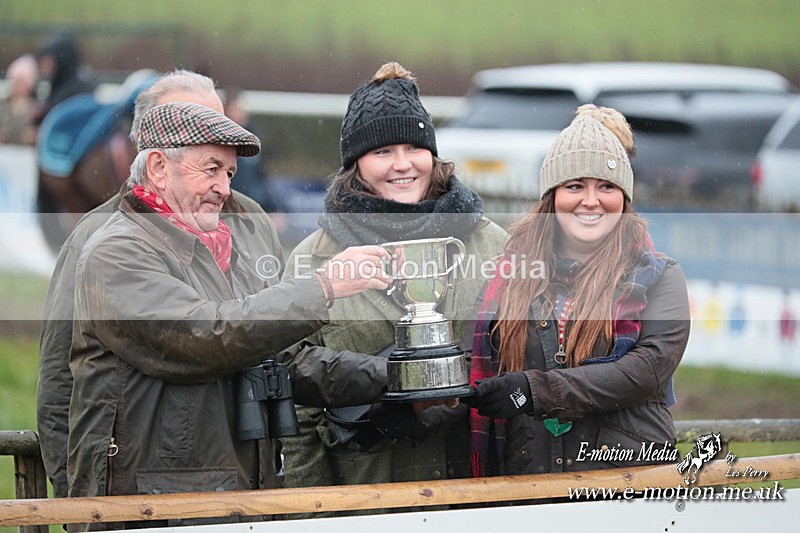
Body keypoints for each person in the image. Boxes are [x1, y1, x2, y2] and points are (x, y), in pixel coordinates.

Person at [67, 101, 392, 530]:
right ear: (159, 168)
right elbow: (205, 336)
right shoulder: (116, 252)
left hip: (227, 500)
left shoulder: (224, 252)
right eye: (211, 169)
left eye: (230, 174)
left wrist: (398, 376)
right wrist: (322, 286)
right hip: (150, 510)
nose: (225, 187)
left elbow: (284, 362)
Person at [281, 62, 507, 495]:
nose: (402, 165)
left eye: (413, 147)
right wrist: (312, 509)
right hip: (365, 497)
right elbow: (297, 406)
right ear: (356, 164)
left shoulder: (490, 244)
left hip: (476, 494)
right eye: (382, 151)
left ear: (432, 154)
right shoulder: (314, 259)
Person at [37, 69, 241, 500]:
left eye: (217, 124)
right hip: (139, 496)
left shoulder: (251, 224)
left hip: (240, 493)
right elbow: (58, 386)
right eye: (193, 128)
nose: (213, 135)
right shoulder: (94, 239)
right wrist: (81, 499)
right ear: (156, 154)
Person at [463, 105, 691, 476]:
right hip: (529, 482)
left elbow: (643, 372)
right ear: (552, 197)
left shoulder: (661, 277)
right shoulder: (508, 276)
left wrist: (533, 390)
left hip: (627, 481)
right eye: (575, 186)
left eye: (606, 186)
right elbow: (472, 366)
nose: (591, 200)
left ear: (624, 197)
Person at [0, 53, 38, 144]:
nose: (18, 86)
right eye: (15, 80)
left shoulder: (36, 108)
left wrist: (35, 135)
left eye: (22, 81)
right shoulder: (3, 105)